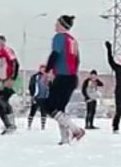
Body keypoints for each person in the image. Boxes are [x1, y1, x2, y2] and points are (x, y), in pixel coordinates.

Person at [42, 16, 84, 145]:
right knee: (60, 109)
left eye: (57, 23)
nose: (55, 25)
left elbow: (54, 54)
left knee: (49, 106)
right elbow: (77, 60)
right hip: (72, 77)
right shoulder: (73, 41)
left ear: (62, 25)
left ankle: (75, 130)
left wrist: (47, 71)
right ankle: (65, 138)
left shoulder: (59, 37)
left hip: (63, 77)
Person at [0, 35, 20, 135]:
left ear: (1, 42)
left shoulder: (6, 50)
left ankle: (9, 125)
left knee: (1, 101)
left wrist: (12, 78)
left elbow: (16, 63)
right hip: (3, 81)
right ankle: (10, 124)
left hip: (10, 80)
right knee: (0, 103)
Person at [27, 65, 49, 130]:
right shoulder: (35, 77)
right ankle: (29, 124)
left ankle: (43, 126)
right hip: (36, 96)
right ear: (40, 69)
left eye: (44, 69)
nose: (43, 70)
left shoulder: (48, 77)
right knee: (33, 111)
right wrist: (32, 94)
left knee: (43, 112)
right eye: (42, 69)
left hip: (45, 97)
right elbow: (31, 86)